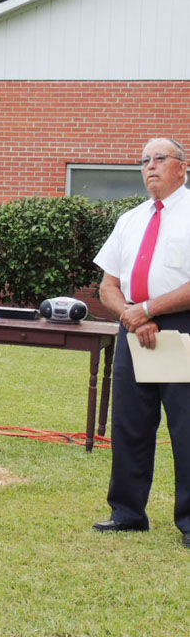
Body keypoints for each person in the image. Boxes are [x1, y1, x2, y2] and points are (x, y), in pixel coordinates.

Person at [92, 136, 190, 549]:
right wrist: (133, 315)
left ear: (182, 167)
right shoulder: (130, 219)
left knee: (186, 428)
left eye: (159, 158)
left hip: (181, 328)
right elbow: (107, 285)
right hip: (134, 328)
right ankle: (128, 512)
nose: (150, 166)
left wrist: (147, 308)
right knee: (130, 423)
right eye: (144, 160)